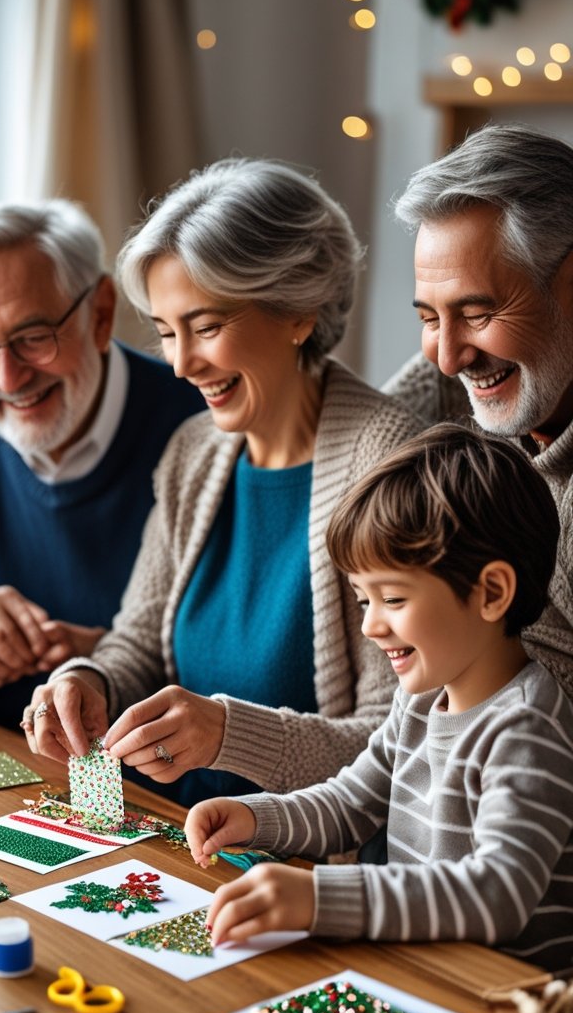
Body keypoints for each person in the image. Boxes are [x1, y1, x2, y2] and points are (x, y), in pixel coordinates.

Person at [27, 157, 420, 807]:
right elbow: (139, 640)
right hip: (184, 839)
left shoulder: (391, 464)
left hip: (310, 871)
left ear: (299, 310)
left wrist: (231, 736)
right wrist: (88, 680)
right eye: (165, 333)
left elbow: (398, 741)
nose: (181, 365)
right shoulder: (192, 452)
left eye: (207, 327)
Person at [186, 425, 573, 975]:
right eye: (362, 598)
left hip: (504, 1010)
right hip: (423, 978)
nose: (370, 625)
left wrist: (319, 897)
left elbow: (498, 894)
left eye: (392, 598)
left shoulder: (528, 726)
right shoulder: (418, 702)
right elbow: (349, 804)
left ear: (491, 593)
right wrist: (254, 818)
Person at [0, 199, 201, 729]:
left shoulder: (197, 426)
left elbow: (244, 672)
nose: (8, 379)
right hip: (14, 772)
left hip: (170, 791)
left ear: (99, 314)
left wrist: (113, 661)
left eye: (33, 338)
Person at [384, 123, 573, 696]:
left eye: (477, 312)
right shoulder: (401, 430)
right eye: (427, 318)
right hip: (153, 772)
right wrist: (98, 676)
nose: (445, 359)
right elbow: (395, 743)